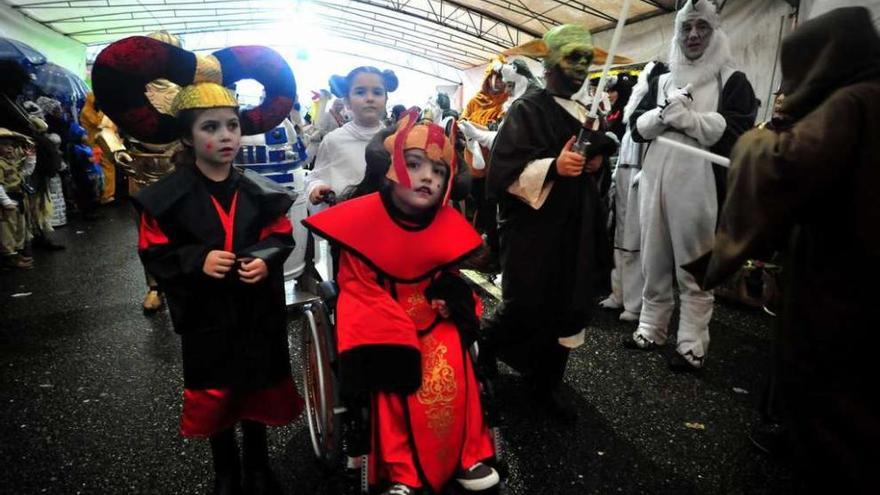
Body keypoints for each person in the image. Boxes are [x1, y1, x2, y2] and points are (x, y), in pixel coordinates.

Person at [93, 36, 304, 495]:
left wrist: (265, 261)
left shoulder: (260, 193)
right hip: (208, 316)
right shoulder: (165, 200)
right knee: (217, 391)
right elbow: (154, 248)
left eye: (231, 125)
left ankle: (259, 465)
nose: (225, 136)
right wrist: (195, 259)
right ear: (188, 136)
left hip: (254, 313)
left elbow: (280, 235)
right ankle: (225, 470)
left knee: (255, 385)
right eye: (211, 127)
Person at [684, 7, 880, 492]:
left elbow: (780, 166)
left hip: (843, 288)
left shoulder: (852, 102)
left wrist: (760, 137)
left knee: (835, 411)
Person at [303, 112, 499, 495]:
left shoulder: (443, 223)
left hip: (429, 309)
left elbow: (450, 277)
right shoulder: (362, 222)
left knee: (455, 356)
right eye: (414, 164)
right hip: (378, 310)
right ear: (391, 168)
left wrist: (450, 299)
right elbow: (357, 287)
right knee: (395, 360)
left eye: (439, 171)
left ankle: (467, 452)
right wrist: (395, 325)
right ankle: (400, 469)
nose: (428, 176)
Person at [483, 24, 616, 423]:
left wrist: (594, 162)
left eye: (587, 60)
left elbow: (592, 160)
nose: (581, 67)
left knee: (568, 306)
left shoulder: (586, 115)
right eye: (572, 56)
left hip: (576, 229)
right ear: (550, 61)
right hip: (535, 233)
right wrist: (553, 167)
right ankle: (484, 347)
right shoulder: (527, 109)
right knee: (525, 304)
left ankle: (545, 384)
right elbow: (503, 173)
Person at [623, 0, 758, 372]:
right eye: (686, 27)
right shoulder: (661, 79)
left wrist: (689, 120)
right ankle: (651, 327)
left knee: (695, 266)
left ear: (715, 31)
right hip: (654, 182)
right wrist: (661, 113)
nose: (693, 34)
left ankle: (692, 343)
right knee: (653, 258)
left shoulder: (732, 81)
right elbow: (635, 126)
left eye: (702, 27)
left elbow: (738, 134)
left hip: (701, 188)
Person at [598, 62, 668, 323]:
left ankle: (635, 303)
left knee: (635, 242)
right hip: (625, 175)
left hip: (640, 175)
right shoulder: (631, 113)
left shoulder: (650, 109)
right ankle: (620, 294)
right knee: (619, 236)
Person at [305, 66, 398, 209]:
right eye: (360, 92)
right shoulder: (333, 140)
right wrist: (315, 187)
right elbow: (315, 176)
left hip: (384, 217)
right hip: (343, 218)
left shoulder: (395, 140)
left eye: (377, 92)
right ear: (347, 101)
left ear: (386, 100)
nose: (369, 98)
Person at [0, 128, 35, 270]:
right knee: (7, 230)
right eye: (4, 145)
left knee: (18, 228)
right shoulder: (1, 164)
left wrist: (30, 159)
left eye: (11, 146)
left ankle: (16, 255)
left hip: (18, 198)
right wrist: (5, 201)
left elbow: (24, 173)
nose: (10, 149)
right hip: (7, 199)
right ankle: (9, 258)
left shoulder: (10, 162)